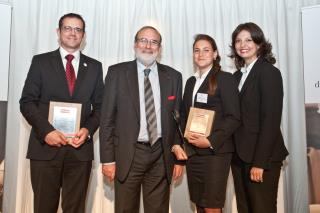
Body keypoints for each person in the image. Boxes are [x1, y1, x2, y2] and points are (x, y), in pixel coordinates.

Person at [20, 13, 104, 213]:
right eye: (68, 28)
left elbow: (101, 107)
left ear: (84, 35)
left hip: (79, 150)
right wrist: (47, 131)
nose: (73, 33)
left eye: (78, 29)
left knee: (75, 209)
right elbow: (27, 102)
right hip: (44, 150)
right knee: (43, 208)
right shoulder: (40, 62)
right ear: (58, 32)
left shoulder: (94, 66)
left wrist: (87, 130)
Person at [99, 26, 184, 213]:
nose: (148, 46)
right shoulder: (116, 73)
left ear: (159, 48)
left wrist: (179, 159)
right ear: (135, 44)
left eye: (154, 42)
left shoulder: (174, 77)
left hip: (161, 155)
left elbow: (177, 120)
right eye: (143, 40)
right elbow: (106, 120)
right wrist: (107, 160)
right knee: (125, 209)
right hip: (129, 154)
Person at [176, 34, 241, 213]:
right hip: (193, 152)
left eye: (206, 50)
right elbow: (183, 114)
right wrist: (185, 134)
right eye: (197, 50)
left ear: (215, 54)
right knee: (199, 203)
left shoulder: (225, 79)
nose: (201, 54)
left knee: (212, 205)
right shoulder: (190, 82)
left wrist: (211, 140)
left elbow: (234, 117)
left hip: (216, 153)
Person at [230, 22, 289, 213]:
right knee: (244, 209)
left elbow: (271, 120)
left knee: (262, 209)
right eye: (238, 40)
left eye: (248, 39)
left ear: (259, 43)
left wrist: (259, 162)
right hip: (239, 157)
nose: (242, 44)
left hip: (261, 157)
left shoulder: (269, 73)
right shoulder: (236, 77)